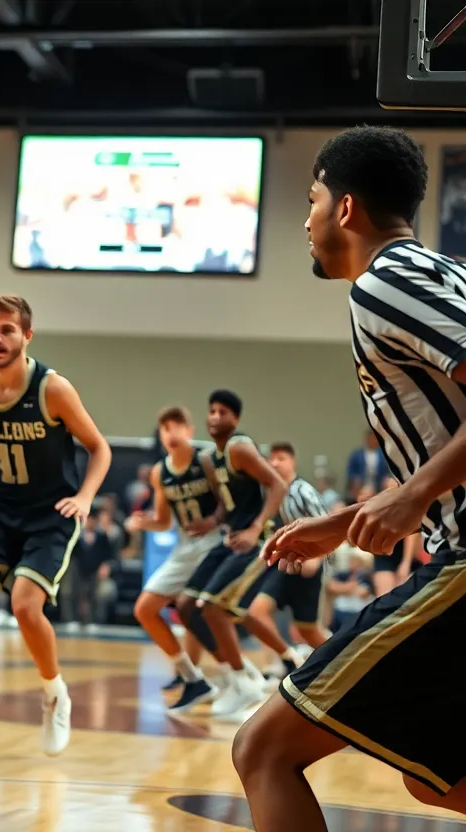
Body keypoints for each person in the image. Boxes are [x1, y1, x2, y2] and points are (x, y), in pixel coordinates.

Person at [235, 126, 466, 829]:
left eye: (310, 199)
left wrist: (415, 493)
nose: (304, 219)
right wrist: (347, 521)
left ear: (344, 207)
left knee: (264, 749)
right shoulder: (437, 273)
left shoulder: (385, 283)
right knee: (436, 778)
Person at [0, 295, 111, 755]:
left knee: (24, 605)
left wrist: (85, 497)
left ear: (26, 336)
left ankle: (56, 695)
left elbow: (99, 447)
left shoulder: (52, 388)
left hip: (48, 512)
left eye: (7, 330)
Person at [182, 391, 288, 718]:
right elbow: (226, 504)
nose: (214, 416)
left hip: (255, 540)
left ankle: (244, 680)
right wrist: (211, 521)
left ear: (235, 419)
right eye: (211, 410)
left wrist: (257, 527)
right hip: (231, 537)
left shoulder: (240, 448)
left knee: (214, 608)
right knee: (187, 606)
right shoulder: (206, 459)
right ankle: (233, 674)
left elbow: (278, 485)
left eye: (222, 411)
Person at [125, 405, 220, 711]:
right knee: (145, 609)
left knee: (192, 608)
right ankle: (191, 677)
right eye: (165, 428)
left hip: (215, 542)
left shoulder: (205, 461)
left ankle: (234, 675)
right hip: (186, 546)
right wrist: (144, 522)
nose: (172, 433)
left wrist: (213, 521)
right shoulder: (159, 472)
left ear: (190, 432)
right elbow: (164, 521)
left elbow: (229, 504)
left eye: (177, 426)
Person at [240, 442, 331, 662]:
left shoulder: (304, 492)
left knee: (308, 630)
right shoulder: (272, 491)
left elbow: (328, 526)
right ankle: (287, 661)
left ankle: (341, 662)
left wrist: (317, 558)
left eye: (281, 458)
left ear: (293, 462)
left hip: (310, 564)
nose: (274, 463)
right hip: (286, 562)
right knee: (255, 613)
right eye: (272, 458)